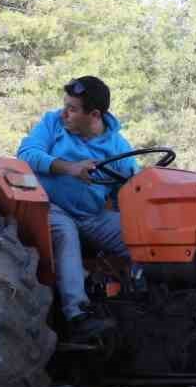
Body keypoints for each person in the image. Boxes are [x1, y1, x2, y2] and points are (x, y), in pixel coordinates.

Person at [16, 76, 138, 341]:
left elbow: (128, 193)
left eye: (72, 109)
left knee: (140, 236)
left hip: (91, 216)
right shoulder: (53, 123)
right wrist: (70, 168)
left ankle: (145, 301)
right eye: (65, 105)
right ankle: (77, 314)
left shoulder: (118, 147)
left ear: (94, 115)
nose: (64, 113)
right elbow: (26, 155)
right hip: (48, 208)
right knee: (64, 231)